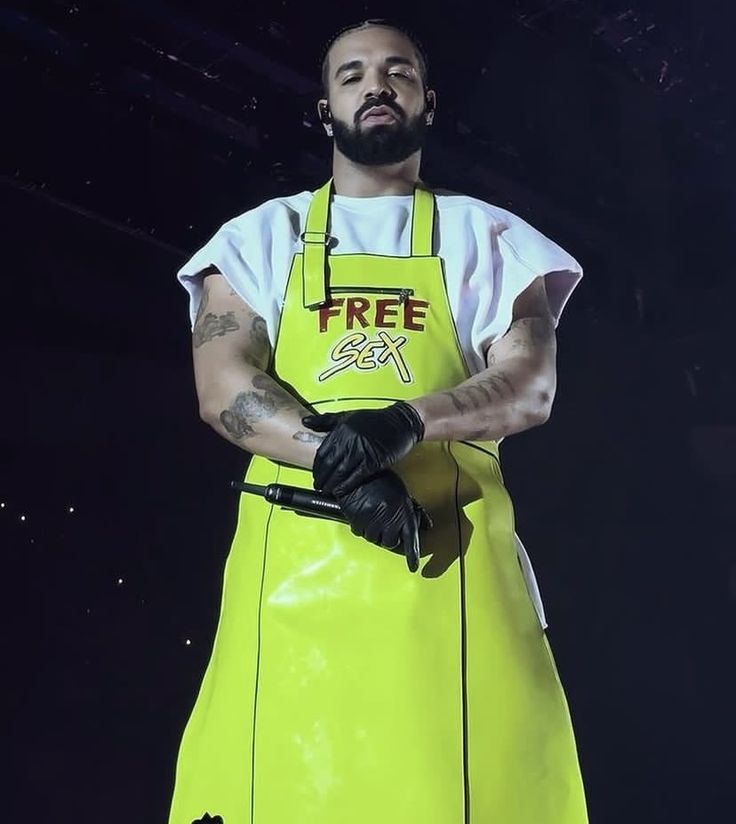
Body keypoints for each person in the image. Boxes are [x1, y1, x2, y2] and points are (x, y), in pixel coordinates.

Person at [168, 18, 588, 824]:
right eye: (352, 73)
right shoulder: (261, 238)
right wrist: (347, 466)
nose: (376, 84)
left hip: (450, 557)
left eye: (398, 72)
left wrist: (402, 422)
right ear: (325, 109)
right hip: (291, 571)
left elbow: (529, 386)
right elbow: (225, 388)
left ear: (428, 101)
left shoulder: (492, 237)